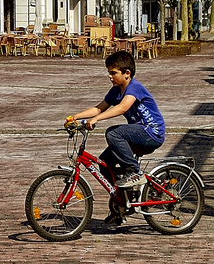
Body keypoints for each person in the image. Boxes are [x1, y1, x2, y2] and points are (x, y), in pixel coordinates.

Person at [67, 50, 167, 222]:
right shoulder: (115, 91)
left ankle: (134, 172)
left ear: (127, 73)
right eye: (109, 72)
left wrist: (96, 119)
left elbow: (122, 108)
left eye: (113, 73)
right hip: (138, 133)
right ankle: (121, 204)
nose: (109, 76)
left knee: (113, 133)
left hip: (152, 133)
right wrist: (75, 117)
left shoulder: (134, 87)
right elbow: (99, 108)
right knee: (105, 164)